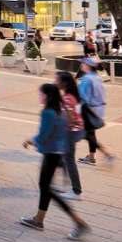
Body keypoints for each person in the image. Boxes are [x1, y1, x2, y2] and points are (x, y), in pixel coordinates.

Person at [21, 84, 90, 241]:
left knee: (48, 189)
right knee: (45, 188)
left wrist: (30, 140)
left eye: (40, 94)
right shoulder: (61, 109)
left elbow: (43, 136)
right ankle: (38, 220)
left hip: (51, 153)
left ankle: (79, 223)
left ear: (46, 96)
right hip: (58, 153)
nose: (39, 96)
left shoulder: (48, 113)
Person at [77, 57, 114, 166]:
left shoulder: (86, 79)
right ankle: (91, 157)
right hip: (99, 109)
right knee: (90, 133)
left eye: (83, 63)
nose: (81, 65)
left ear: (88, 66)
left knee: (87, 135)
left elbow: (83, 97)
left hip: (88, 110)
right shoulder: (97, 77)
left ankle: (107, 154)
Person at [54, 71, 85, 201]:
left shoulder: (67, 98)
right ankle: (67, 186)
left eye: (57, 80)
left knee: (69, 161)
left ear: (64, 83)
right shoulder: (69, 96)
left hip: (71, 132)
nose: (55, 82)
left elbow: (71, 120)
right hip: (75, 131)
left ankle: (76, 191)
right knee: (65, 159)